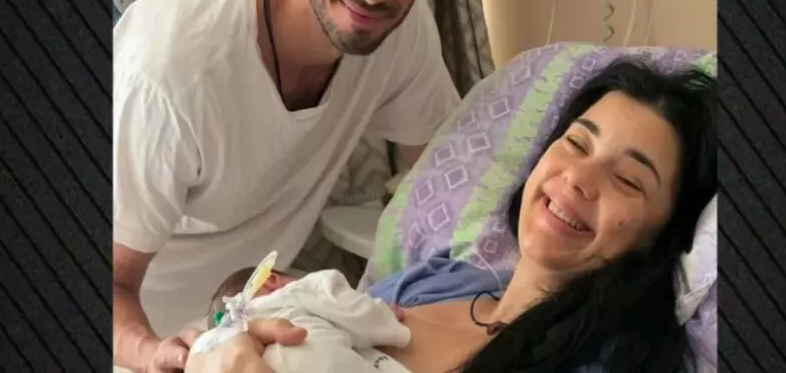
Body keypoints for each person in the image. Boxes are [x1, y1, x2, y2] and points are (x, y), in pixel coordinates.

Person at [111, 0, 463, 371]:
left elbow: (444, 183)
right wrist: (160, 355)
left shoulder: (403, 30)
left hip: (250, 318)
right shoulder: (170, 71)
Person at [193, 59, 718, 373]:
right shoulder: (437, 278)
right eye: (576, 143)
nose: (579, 177)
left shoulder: (601, 362)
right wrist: (220, 346)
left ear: (662, 238)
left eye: (628, 179)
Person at [191, 267, 410, 373]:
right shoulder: (299, 290)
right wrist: (386, 317)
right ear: (272, 279)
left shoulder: (231, 342)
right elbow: (356, 312)